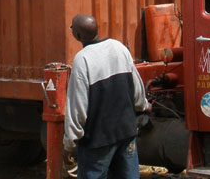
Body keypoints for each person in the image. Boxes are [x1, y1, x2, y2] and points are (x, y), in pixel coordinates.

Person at [63, 14, 149, 179]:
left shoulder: (82, 59)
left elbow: (77, 108)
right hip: (126, 132)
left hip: (97, 141)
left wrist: (70, 143)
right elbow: (137, 90)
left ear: (78, 35)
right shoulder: (119, 47)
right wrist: (143, 106)